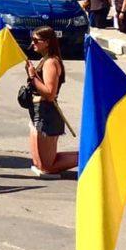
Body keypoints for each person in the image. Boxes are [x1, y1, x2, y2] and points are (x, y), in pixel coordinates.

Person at [26, 26, 77, 176]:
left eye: (36, 40)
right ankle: (87, 155)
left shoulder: (51, 63)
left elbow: (49, 93)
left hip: (47, 113)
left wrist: (32, 76)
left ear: (47, 42)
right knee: (39, 164)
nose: (33, 43)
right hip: (38, 110)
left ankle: (90, 156)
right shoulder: (45, 59)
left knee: (47, 167)